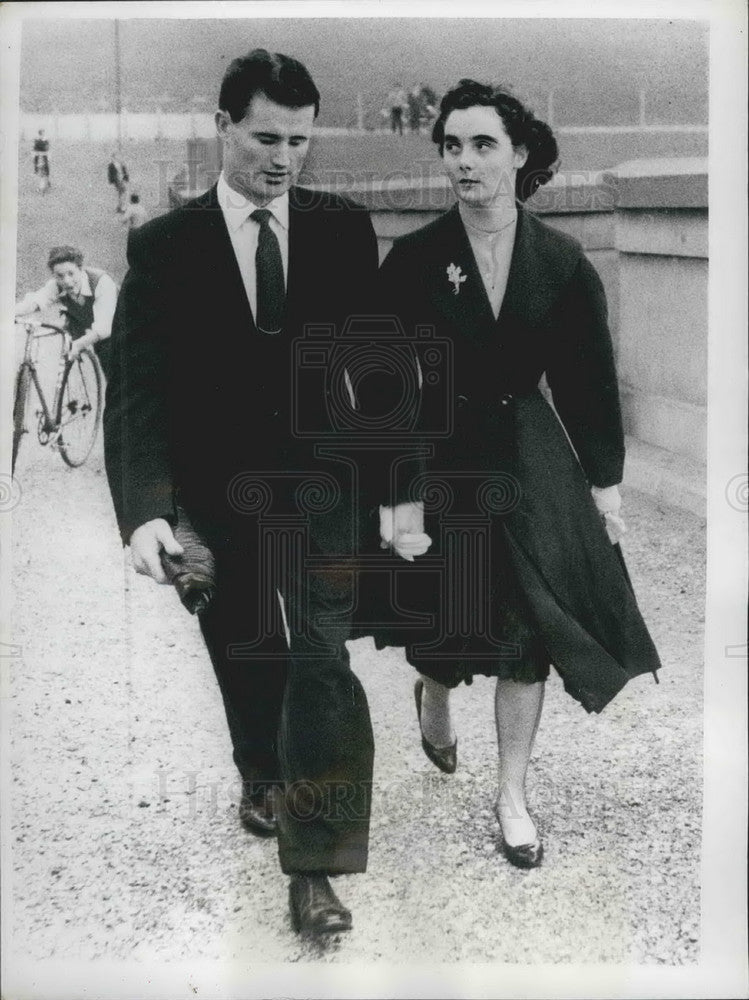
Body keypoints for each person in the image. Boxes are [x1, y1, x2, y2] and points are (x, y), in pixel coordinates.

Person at [103, 48, 426, 939]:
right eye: (265, 136)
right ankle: (258, 766)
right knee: (248, 653)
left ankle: (314, 869)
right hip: (214, 498)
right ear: (222, 129)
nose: (283, 158)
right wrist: (145, 510)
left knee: (320, 663)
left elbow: (379, 369)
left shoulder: (339, 229)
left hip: (322, 491)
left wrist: (398, 493)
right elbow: (136, 390)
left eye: (299, 140)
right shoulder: (163, 248)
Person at [378, 79, 661, 870]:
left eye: (482, 145)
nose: (463, 161)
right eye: (452, 145)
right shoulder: (413, 260)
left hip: (528, 458)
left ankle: (510, 794)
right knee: (443, 617)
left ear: (520, 154)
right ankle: (432, 697)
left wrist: (602, 484)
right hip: (441, 453)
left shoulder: (561, 263)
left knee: (526, 630)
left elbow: (585, 378)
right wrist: (398, 495)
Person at [14, 245, 117, 379]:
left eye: (71, 273)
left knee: (117, 378)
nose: (67, 281)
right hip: (88, 328)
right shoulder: (55, 285)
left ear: (80, 269)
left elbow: (104, 327)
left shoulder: (101, 281)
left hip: (119, 331)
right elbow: (35, 302)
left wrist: (79, 344)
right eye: (60, 276)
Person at [32, 129, 50, 193]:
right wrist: (35, 159)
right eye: (41, 134)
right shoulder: (37, 141)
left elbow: (47, 150)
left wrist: (48, 157)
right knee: (40, 173)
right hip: (39, 158)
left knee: (46, 172)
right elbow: (34, 150)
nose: (43, 135)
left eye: (43, 134)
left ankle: (46, 183)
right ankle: (41, 187)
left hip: (44, 158)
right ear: (39, 134)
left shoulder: (46, 141)